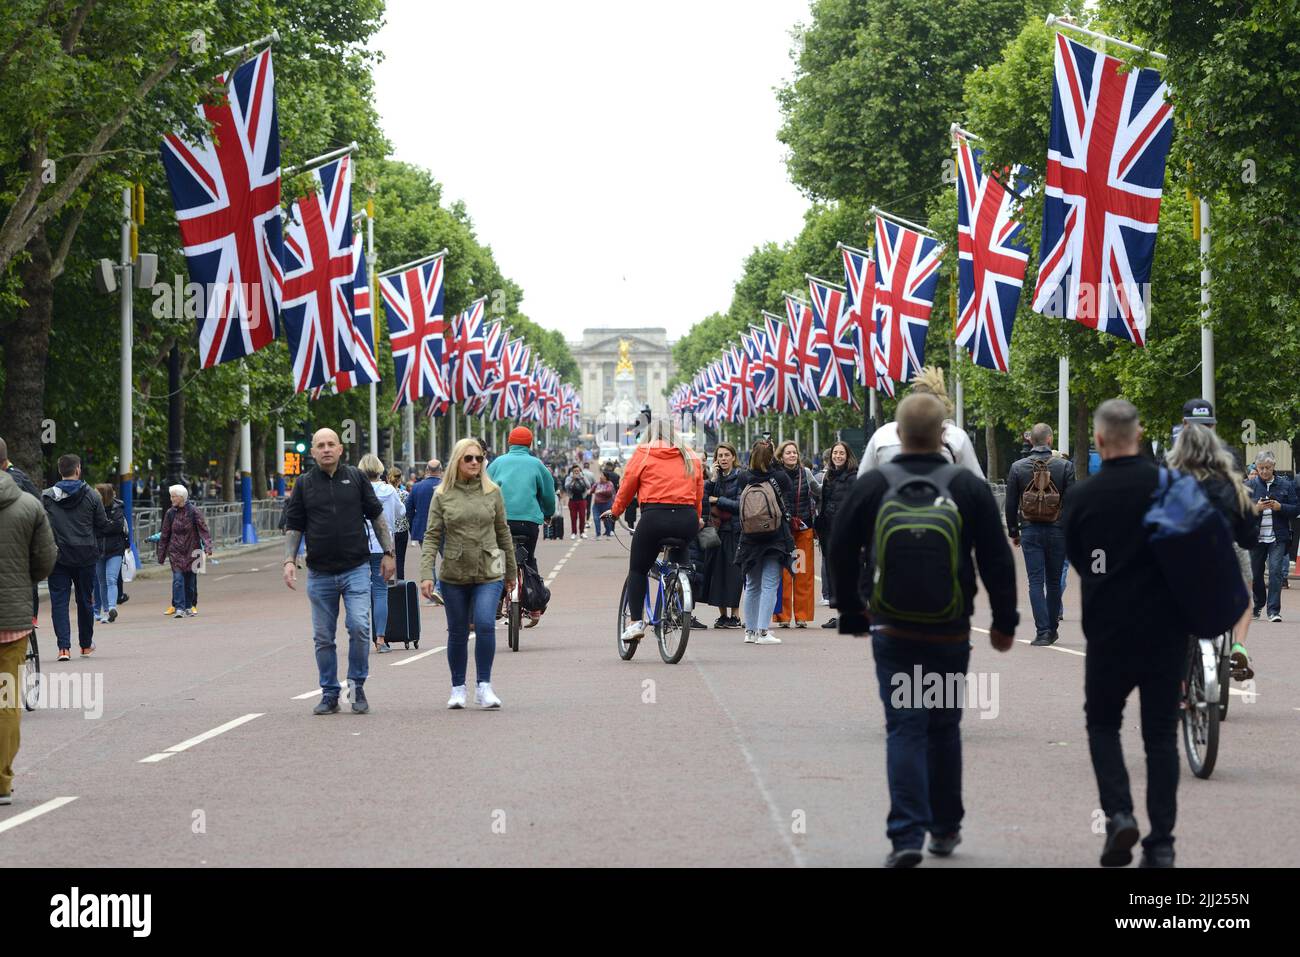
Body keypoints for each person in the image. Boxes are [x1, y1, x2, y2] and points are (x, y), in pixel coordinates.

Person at [829, 393, 1016, 867]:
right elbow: (996, 558)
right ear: (943, 435)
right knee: (944, 727)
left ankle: (906, 834)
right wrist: (1004, 621)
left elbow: (840, 545)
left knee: (904, 727)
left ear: (897, 432)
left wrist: (852, 610)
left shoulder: (874, 484)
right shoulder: (966, 488)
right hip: (949, 627)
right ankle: (946, 826)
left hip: (891, 626)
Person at [1063, 399, 1185, 868]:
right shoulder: (1170, 486)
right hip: (1165, 630)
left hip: (1108, 630)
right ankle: (1163, 843)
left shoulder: (1083, 497)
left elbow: (1078, 558)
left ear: (1097, 440)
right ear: (1139, 434)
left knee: (1102, 723)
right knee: (1159, 736)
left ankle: (1118, 815)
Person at [283, 428, 395, 716]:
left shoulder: (355, 478)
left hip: (356, 567)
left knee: (359, 626)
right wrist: (288, 561)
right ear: (313, 452)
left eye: (331, 444)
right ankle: (329, 692)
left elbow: (376, 515)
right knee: (323, 636)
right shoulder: (304, 483)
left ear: (341, 449)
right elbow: (295, 524)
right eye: (320, 445)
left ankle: (356, 685)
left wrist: (389, 553)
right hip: (320, 573)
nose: (326, 449)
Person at [421, 437, 516, 709]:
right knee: (458, 631)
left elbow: (502, 532)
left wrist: (511, 571)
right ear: (458, 461)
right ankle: (458, 688)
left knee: (486, 623)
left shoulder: (493, 491)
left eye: (479, 458)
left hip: (490, 569)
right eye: (469, 458)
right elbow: (431, 536)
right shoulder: (441, 495)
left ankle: (484, 687)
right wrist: (427, 572)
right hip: (454, 572)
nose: (475, 462)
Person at [1166, 423, 1259, 679]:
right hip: (1223, 553)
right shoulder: (1230, 484)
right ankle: (1238, 645)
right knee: (1245, 601)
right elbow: (1249, 534)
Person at [610, 418, 704, 645]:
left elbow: (627, 487)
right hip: (687, 518)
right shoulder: (690, 455)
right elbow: (698, 491)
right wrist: (698, 518)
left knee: (638, 569)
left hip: (655, 517)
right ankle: (677, 593)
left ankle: (635, 623)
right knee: (680, 562)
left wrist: (615, 512)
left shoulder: (643, 453)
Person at [0, 469, 57, 806]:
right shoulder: (29, 506)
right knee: (6, 701)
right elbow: (46, 559)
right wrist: (24, 579)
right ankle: (2, 780)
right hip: (12, 622)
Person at [1005, 423, 1076, 646]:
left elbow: (1010, 503)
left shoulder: (1017, 467)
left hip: (1030, 529)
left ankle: (1042, 631)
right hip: (1058, 530)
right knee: (1054, 581)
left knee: (1035, 581)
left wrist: (1014, 530)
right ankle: (1052, 629)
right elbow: (1072, 503)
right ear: (1050, 440)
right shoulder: (1065, 466)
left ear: (1030, 441)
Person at [42, 454, 111, 661]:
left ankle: (63, 648)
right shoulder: (91, 495)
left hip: (58, 555)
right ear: (78, 469)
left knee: (59, 602)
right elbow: (101, 525)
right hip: (86, 555)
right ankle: (85, 645)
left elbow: (41, 526)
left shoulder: (46, 496)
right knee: (85, 600)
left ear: (60, 471)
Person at [857, 367, 983, 478]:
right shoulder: (956, 436)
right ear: (941, 433)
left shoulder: (883, 435)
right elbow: (978, 489)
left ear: (899, 432)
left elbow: (861, 485)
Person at [734, 438, 795, 645]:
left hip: (749, 537)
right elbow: (786, 498)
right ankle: (763, 632)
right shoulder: (780, 477)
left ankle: (749, 632)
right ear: (772, 457)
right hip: (774, 536)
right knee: (770, 584)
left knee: (752, 585)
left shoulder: (744, 477)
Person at [486, 427, 556, 588]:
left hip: (501, 521)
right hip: (528, 522)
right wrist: (548, 513)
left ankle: (495, 600)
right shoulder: (537, 464)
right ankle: (535, 603)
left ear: (509, 442)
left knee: (498, 561)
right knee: (529, 558)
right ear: (529, 444)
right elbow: (548, 494)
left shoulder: (497, 463)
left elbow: (484, 490)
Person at [771, 441, 820, 629]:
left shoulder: (805, 473)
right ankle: (783, 616)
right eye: (788, 453)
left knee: (803, 572)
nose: (792, 455)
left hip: (803, 528)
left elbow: (818, 491)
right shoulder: (776, 475)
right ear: (781, 456)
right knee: (783, 572)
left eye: (794, 452)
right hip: (782, 530)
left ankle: (802, 616)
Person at [1246, 450, 1298, 623]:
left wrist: (1279, 507)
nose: (1264, 471)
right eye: (1260, 468)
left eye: (1267, 468)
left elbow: (1296, 508)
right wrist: (1256, 507)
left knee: (1275, 572)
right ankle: (1259, 602)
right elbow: (1239, 508)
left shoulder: (1286, 485)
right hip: (1256, 536)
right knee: (1255, 574)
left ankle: (1273, 610)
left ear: (1274, 466)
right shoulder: (1250, 485)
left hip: (1278, 537)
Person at [359, 455, 403, 654]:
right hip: (383, 547)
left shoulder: (357, 491)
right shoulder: (389, 491)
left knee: (357, 592)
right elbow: (400, 513)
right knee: (380, 591)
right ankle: (380, 639)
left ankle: (359, 637)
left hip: (359, 545)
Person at [815, 441, 857, 629]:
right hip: (828, 530)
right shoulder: (829, 475)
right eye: (835, 453)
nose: (838, 456)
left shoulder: (852, 477)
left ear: (848, 456)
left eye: (841, 453)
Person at [702, 443, 743, 628]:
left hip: (734, 531)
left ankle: (735, 615)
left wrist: (718, 500)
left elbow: (740, 505)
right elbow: (703, 498)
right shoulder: (715, 478)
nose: (724, 459)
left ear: (733, 457)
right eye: (720, 456)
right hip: (715, 532)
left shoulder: (741, 476)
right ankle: (722, 616)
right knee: (716, 574)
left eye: (727, 455)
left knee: (734, 575)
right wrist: (712, 479)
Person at [157, 484, 212, 619]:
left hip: (193, 552)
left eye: (173, 496)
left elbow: (203, 530)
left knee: (190, 582)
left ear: (181, 497)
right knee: (178, 580)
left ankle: (189, 606)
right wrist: (161, 554)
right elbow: (165, 535)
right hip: (176, 552)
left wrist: (208, 546)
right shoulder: (170, 513)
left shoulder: (194, 512)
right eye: (171, 496)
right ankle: (179, 608)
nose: (171, 499)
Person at [406, 459, 443, 605]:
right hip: (444, 530)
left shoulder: (416, 487)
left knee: (430, 562)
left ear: (427, 470)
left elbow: (408, 510)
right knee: (448, 560)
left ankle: (432, 591)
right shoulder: (446, 486)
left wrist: (413, 527)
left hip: (423, 529)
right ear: (440, 470)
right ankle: (439, 589)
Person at [92, 484, 128, 624]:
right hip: (98, 550)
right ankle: (106, 611)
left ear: (104, 495)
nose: (94, 495)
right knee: (101, 582)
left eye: (97, 493)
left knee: (111, 579)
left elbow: (117, 526)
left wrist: (103, 527)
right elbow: (93, 527)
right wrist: (106, 526)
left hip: (115, 550)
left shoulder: (117, 507)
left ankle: (112, 607)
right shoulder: (93, 508)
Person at [387, 467, 411, 580]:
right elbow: (407, 512)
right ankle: (401, 585)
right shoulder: (405, 494)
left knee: (386, 560)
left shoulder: (384, 493)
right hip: (402, 530)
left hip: (388, 531)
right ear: (400, 480)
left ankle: (386, 585)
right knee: (400, 560)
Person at [591, 460, 619, 536]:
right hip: (599, 504)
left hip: (607, 502)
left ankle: (609, 531)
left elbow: (609, 491)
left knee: (607, 518)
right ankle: (603, 532)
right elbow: (591, 490)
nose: (601, 477)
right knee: (599, 518)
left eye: (602, 476)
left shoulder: (609, 483)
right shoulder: (597, 483)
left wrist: (599, 491)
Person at [564, 465, 591, 539]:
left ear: (580, 471)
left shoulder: (583, 477)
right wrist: (573, 479)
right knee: (573, 517)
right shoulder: (569, 478)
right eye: (575, 471)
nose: (576, 472)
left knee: (582, 517)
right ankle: (573, 533)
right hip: (572, 500)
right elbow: (566, 487)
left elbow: (589, 486)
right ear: (572, 472)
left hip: (582, 500)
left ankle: (582, 532)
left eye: (578, 471)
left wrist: (582, 478)